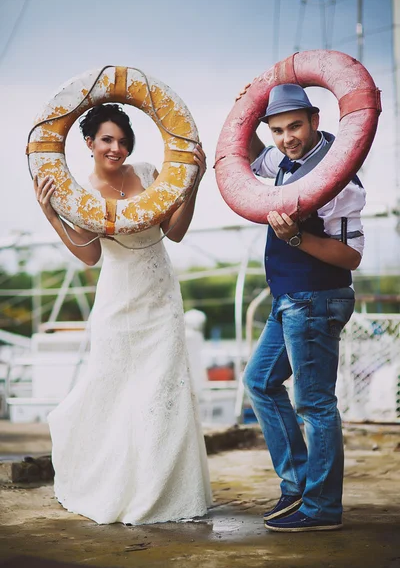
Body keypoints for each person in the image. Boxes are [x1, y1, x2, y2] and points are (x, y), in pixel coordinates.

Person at [34, 103, 212, 525]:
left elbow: (177, 232)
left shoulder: (149, 173)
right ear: (89, 143)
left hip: (161, 295)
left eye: (122, 140)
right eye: (107, 140)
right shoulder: (80, 190)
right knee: (115, 391)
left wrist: (194, 182)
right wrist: (51, 213)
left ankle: (162, 492)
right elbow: (91, 256)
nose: (117, 148)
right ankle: (114, 485)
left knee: (163, 393)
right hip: (117, 302)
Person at [242, 84, 366, 532]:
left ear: (315, 119)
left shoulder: (339, 176)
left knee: (314, 404)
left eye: (294, 125)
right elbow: (256, 156)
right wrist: (246, 113)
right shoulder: (284, 158)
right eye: (277, 129)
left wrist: (296, 237)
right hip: (288, 298)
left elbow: (351, 257)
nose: (286, 137)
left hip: (316, 298)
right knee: (259, 380)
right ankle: (298, 485)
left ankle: (322, 509)